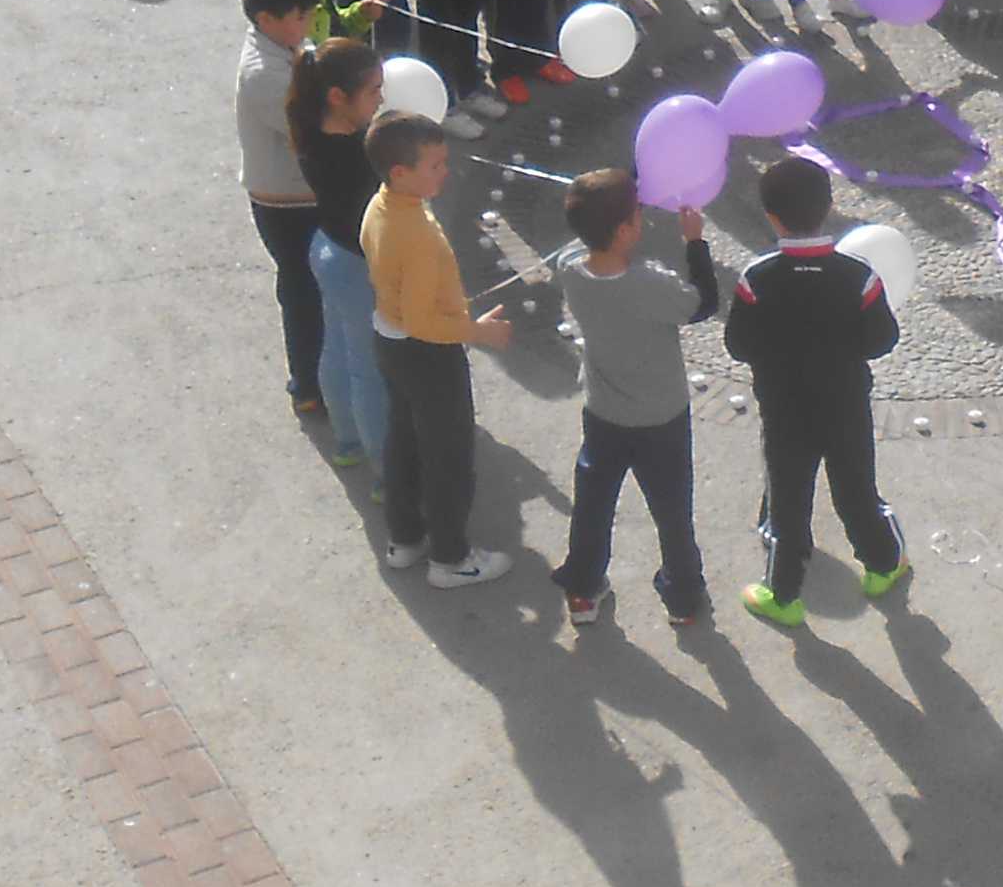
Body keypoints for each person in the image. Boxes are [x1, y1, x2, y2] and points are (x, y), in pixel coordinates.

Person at [724, 150, 906, 626]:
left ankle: (783, 595)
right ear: (828, 208)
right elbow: (883, 340)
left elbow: (738, 345)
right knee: (856, 492)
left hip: (784, 410)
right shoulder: (859, 276)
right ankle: (884, 564)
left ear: (770, 216)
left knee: (787, 499)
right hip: (846, 404)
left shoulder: (755, 279)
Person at [549, 170, 720, 628]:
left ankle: (583, 590)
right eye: (637, 215)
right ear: (624, 230)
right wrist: (695, 242)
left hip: (604, 411)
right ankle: (683, 597)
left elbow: (578, 241)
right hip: (661, 418)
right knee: (671, 510)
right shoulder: (648, 283)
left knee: (594, 502)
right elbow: (702, 304)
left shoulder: (570, 267)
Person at [362, 108, 526, 586]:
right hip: (426, 355)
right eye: (435, 165)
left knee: (404, 442)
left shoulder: (383, 205)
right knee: (448, 455)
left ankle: (405, 538)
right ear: (401, 172)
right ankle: (451, 558)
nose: (445, 171)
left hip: (388, 340)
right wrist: (478, 331)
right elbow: (421, 321)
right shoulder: (415, 234)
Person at [288, 39, 391, 467]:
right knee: (370, 371)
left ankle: (348, 443)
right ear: (337, 97)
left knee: (336, 348)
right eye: (373, 91)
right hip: (358, 264)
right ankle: (387, 471)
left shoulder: (311, 129)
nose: (381, 98)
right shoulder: (359, 153)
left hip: (326, 248)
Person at [238, 0, 332, 419]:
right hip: (286, 203)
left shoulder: (291, 45)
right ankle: (309, 383)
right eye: (300, 16)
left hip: (304, 193)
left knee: (321, 288)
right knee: (303, 291)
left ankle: (323, 374)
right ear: (266, 20)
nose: (308, 25)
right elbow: (311, 131)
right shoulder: (263, 74)